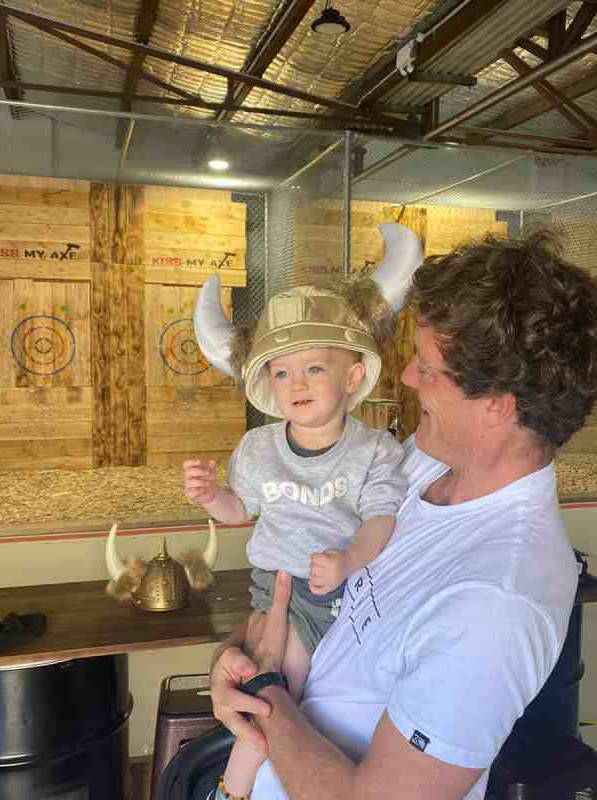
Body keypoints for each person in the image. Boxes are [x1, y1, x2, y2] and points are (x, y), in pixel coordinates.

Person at [204, 231, 597, 800]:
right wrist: (239, 652)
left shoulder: (496, 602)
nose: (404, 378)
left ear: (497, 406)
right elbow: (307, 593)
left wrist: (263, 691)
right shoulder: (418, 467)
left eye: (426, 370)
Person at [185, 224, 422, 799]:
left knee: (306, 692)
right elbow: (242, 511)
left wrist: (348, 561)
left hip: (343, 586)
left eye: (315, 367)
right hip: (279, 589)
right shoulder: (259, 449)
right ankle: (234, 787)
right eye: (282, 371)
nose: (297, 383)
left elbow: (382, 519)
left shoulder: (375, 450)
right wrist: (210, 496)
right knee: (273, 687)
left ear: (354, 376)